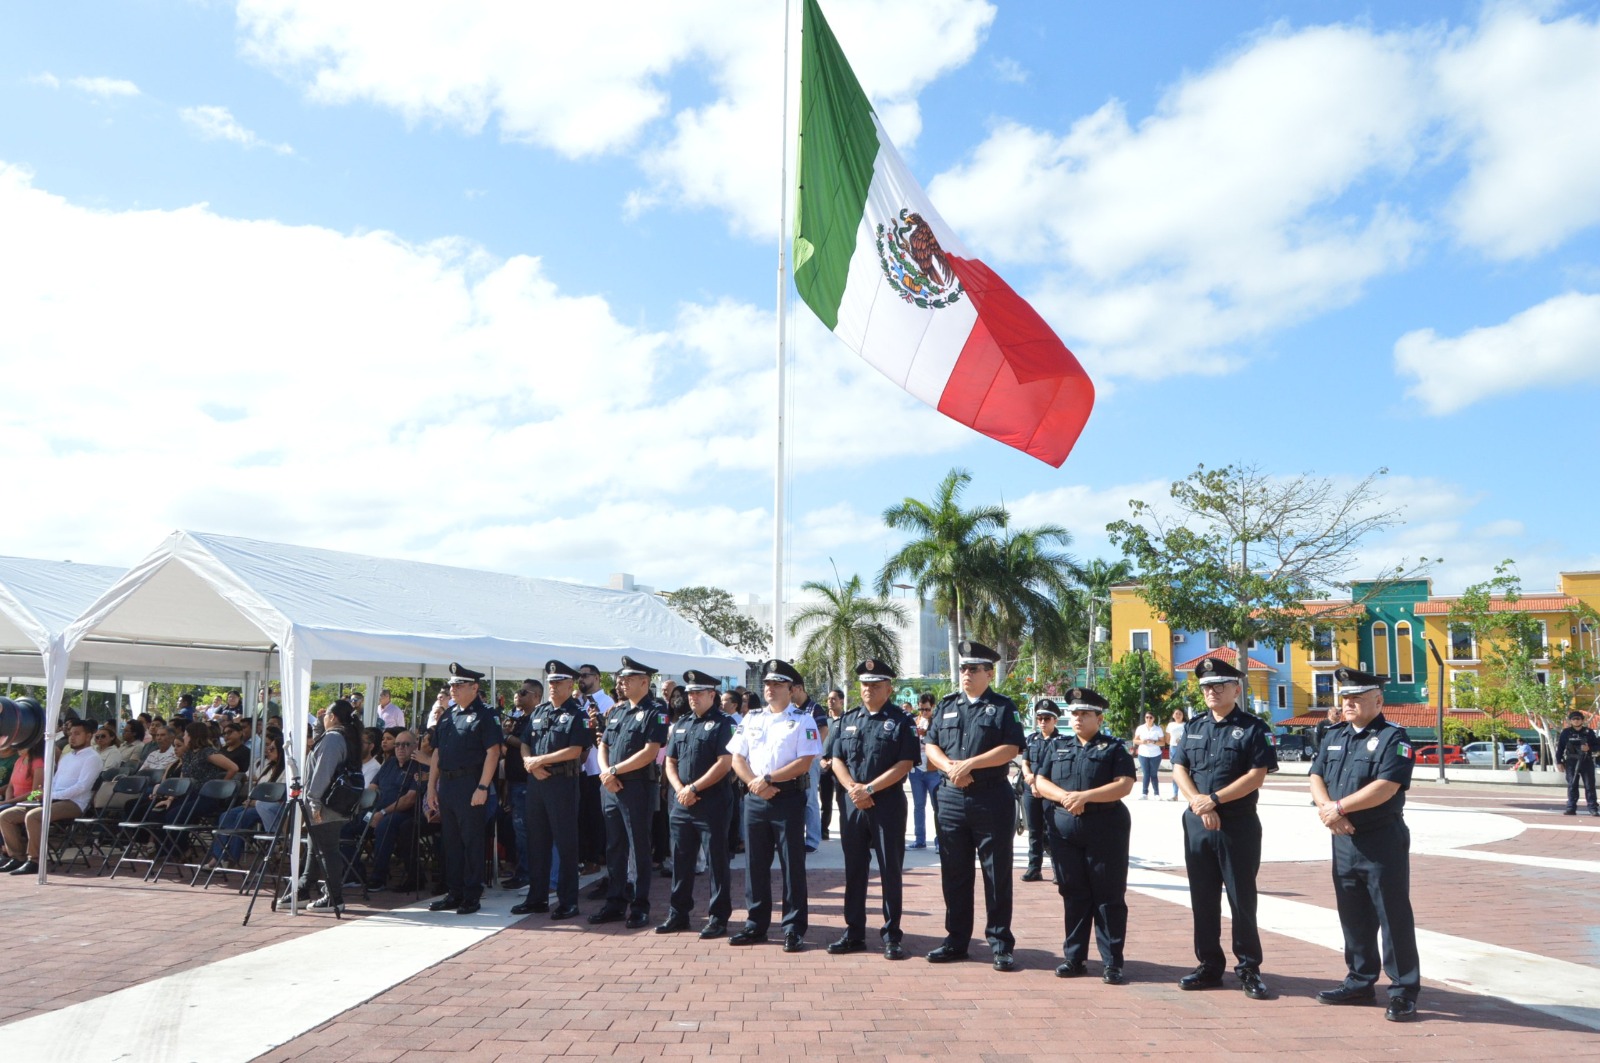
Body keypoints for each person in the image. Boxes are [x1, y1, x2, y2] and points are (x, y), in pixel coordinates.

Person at [1309, 666, 1421, 1022]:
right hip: (1342, 838)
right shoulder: (1334, 734)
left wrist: (1338, 808)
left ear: (1378, 699)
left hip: (1380, 839)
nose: (1349, 704)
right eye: (1345, 698)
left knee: (1392, 915)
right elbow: (1315, 774)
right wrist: (1327, 810)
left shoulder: (1394, 738)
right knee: (1352, 915)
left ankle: (1403, 990)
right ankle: (1359, 980)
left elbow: (1387, 786)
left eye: (1356, 698)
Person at [1170, 656, 1278, 999]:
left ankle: (1248, 968)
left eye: (1218, 685)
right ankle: (1209, 965)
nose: (1211, 691)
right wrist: (1197, 802)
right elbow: (1178, 768)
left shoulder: (1252, 727)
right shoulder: (1194, 726)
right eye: (1205, 686)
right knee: (1202, 898)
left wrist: (1214, 800)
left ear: (1236, 687)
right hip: (1197, 822)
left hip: (1237, 824)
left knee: (1240, 898)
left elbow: (1256, 775)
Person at [925, 640, 1026, 972]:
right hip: (951, 798)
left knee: (996, 872)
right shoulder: (947, 705)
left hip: (990, 797)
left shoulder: (1002, 707)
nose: (966, 674)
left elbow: (1011, 748)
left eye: (974, 669)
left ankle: (1000, 943)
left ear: (989, 672)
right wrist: (951, 768)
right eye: (963, 668)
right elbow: (931, 745)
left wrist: (970, 765)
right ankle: (956, 940)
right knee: (954, 871)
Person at [1033, 688, 1137, 984]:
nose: (1078, 719)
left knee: (1108, 897)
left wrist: (1085, 797)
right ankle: (1074, 957)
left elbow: (1124, 784)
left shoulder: (1113, 748)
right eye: (1074, 713)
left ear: (1099, 717)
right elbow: (1041, 780)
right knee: (1073, 894)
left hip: (1105, 829)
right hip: (1065, 831)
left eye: (1085, 714)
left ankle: (1112, 962)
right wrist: (1067, 798)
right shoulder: (1058, 746)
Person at [825, 658, 919, 960]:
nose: (868, 690)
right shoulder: (847, 719)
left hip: (887, 804)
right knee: (854, 870)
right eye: (864, 684)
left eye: (875, 685)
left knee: (890, 870)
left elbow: (905, 763)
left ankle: (892, 935)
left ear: (889, 689)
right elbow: (835, 758)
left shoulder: (902, 722)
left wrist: (869, 789)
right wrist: (853, 787)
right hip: (853, 804)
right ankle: (853, 932)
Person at [728, 658, 822, 951]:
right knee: (755, 863)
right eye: (767, 683)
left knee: (792, 865)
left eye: (777, 684)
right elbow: (737, 758)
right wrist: (755, 783)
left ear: (791, 689)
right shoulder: (752, 718)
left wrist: (767, 779)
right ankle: (755, 924)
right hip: (755, 798)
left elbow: (805, 762)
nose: (770, 688)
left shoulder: (804, 720)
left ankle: (793, 928)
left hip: (788, 798)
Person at [657, 669, 737, 938]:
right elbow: (670, 761)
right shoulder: (682, 724)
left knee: (716, 861)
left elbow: (725, 763)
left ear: (712, 695)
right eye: (690, 693)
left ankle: (718, 917)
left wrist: (693, 787)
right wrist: (680, 788)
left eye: (698, 693)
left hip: (712, 801)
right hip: (682, 802)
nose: (692, 698)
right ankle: (678, 913)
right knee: (680, 860)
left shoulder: (724, 723)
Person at [592, 656, 669, 928]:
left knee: (639, 847)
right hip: (611, 787)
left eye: (628, 678)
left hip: (636, 786)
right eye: (620, 678)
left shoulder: (655, 711)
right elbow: (604, 744)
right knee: (614, 846)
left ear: (645, 682)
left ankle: (640, 905)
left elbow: (650, 751)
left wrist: (614, 772)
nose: (621, 682)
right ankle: (615, 902)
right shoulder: (617, 711)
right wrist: (606, 772)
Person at [512, 666, 592, 919]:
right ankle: (537, 898)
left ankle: (568, 901)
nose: (554, 686)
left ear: (571, 686)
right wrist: (530, 763)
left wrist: (539, 760)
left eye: (559, 682)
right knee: (537, 842)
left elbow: (576, 750)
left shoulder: (577, 714)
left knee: (566, 844)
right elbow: (525, 742)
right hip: (537, 782)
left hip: (562, 783)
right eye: (551, 682)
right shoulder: (540, 711)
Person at [424, 663, 503, 916]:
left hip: (471, 783)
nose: (453, 689)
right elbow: (437, 752)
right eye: (452, 686)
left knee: (471, 841)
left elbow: (493, 752)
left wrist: (483, 786)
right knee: (452, 842)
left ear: (474, 687)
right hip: (447, 784)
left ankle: (471, 894)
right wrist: (431, 788)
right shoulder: (449, 714)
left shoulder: (485, 714)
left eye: (459, 685)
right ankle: (454, 892)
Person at [0, 720, 101, 875]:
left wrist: (50, 795)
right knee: (5, 815)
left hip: (73, 803)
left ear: (89, 736)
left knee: (33, 816)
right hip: (51, 799)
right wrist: (35, 796)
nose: (72, 737)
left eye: (77, 734)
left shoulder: (92, 758)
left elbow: (82, 787)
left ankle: (34, 860)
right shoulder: (66, 757)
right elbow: (49, 784)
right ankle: (16, 857)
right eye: (71, 733)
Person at [291, 700, 363, 912]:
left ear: (333, 717)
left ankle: (334, 896)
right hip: (336, 802)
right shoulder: (344, 736)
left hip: (326, 803)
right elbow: (321, 750)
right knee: (316, 848)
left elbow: (323, 770)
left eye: (326, 716)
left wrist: (313, 801)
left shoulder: (333, 739)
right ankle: (303, 889)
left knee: (328, 850)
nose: (322, 718)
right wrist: (318, 727)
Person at [358, 730, 423, 889]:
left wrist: (382, 813)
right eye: (398, 744)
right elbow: (373, 787)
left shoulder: (418, 767)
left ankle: (378, 877)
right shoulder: (389, 763)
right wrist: (371, 811)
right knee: (350, 825)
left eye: (406, 745)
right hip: (376, 811)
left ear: (415, 746)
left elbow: (410, 799)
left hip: (401, 813)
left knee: (385, 825)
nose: (400, 748)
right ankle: (353, 873)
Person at [500, 678, 540, 891]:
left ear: (536, 696)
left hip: (526, 783)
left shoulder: (537, 718)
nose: (518, 695)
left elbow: (530, 744)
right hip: (514, 782)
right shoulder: (519, 718)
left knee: (523, 829)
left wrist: (508, 738)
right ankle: (521, 870)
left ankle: (526, 873)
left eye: (524, 692)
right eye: (518, 691)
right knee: (516, 829)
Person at [576, 663, 614, 875]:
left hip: (597, 765)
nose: (581, 680)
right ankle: (585, 855)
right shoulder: (577, 702)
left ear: (597, 678)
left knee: (595, 816)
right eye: (579, 677)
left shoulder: (606, 702)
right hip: (580, 766)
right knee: (583, 815)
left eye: (585, 676)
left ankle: (595, 856)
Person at [1019, 701, 1060, 881]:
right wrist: (1029, 777)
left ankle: (1059, 870)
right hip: (1030, 790)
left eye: (1047, 718)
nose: (1042, 722)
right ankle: (1034, 867)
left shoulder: (1061, 742)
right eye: (1040, 718)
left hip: (1050, 791)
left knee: (1053, 830)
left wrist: (1040, 785)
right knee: (1034, 830)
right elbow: (1025, 762)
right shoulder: (1031, 739)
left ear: (1055, 720)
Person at [790, 675, 829, 851]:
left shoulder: (814, 708)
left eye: (791, 689)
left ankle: (812, 840)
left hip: (810, 760)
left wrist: (814, 752)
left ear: (799, 688)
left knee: (810, 799)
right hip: (792, 760)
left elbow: (824, 729)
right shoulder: (790, 709)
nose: (789, 693)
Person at [906, 694, 941, 851]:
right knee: (918, 806)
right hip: (916, 770)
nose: (924, 712)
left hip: (933, 771)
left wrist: (925, 733)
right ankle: (920, 839)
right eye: (921, 709)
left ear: (932, 707)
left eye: (927, 709)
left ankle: (940, 841)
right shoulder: (914, 721)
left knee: (938, 807)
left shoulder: (938, 722)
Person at [1556, 710, 1600, 816]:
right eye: (1573, 719)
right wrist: (1559, 762)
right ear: (1570, 721)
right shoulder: (1566, 733)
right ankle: (1571, 807)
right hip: (1571, 761)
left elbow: (1597, 746)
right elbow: (1560, 748)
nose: (1576, 721)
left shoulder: (1589, 732)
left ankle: (1593, 808)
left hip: (1586, 761)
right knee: (1572, 785)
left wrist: (1589, 748)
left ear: (1582, 720)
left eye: (1578, 719)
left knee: (1590, 785)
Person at [818, 688, 846, 841]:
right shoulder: (824, 721)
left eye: (833, 698)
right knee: (825, 802)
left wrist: (833, 761)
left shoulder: (847, 720)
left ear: (841, 701)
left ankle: (846, 830)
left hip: (839, 767)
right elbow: (817, 742)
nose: (830, 701)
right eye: (829, 698)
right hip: (824, 767)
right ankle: (823, 830)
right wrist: (822, 759)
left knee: (842, 801)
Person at [1132, 712, 1165, 801]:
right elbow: (1135, 740)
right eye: (1147, 717)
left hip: (1155, 754)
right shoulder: (1140, 728)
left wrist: (1154, 742)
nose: (1148, 719)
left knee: (1153, 774)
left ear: (1154, 718)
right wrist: (1142, 742)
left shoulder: (1158, 729)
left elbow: (1163, 742)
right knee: (1146, 774)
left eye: (1150, 717)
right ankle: (1144, 793)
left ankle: (1156, 794)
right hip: (1143, 754)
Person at [1165, 708, 1186, 801]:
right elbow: (1167, 738)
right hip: (1173, 748)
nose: (1178, 715)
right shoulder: (1170, 725)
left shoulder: (1186, 725)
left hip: (1183, 749)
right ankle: (1175, 794)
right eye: (1176, 713)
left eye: (1180, 713)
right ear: (1173, 715)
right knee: (1175, 772)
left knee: (1185, 771)